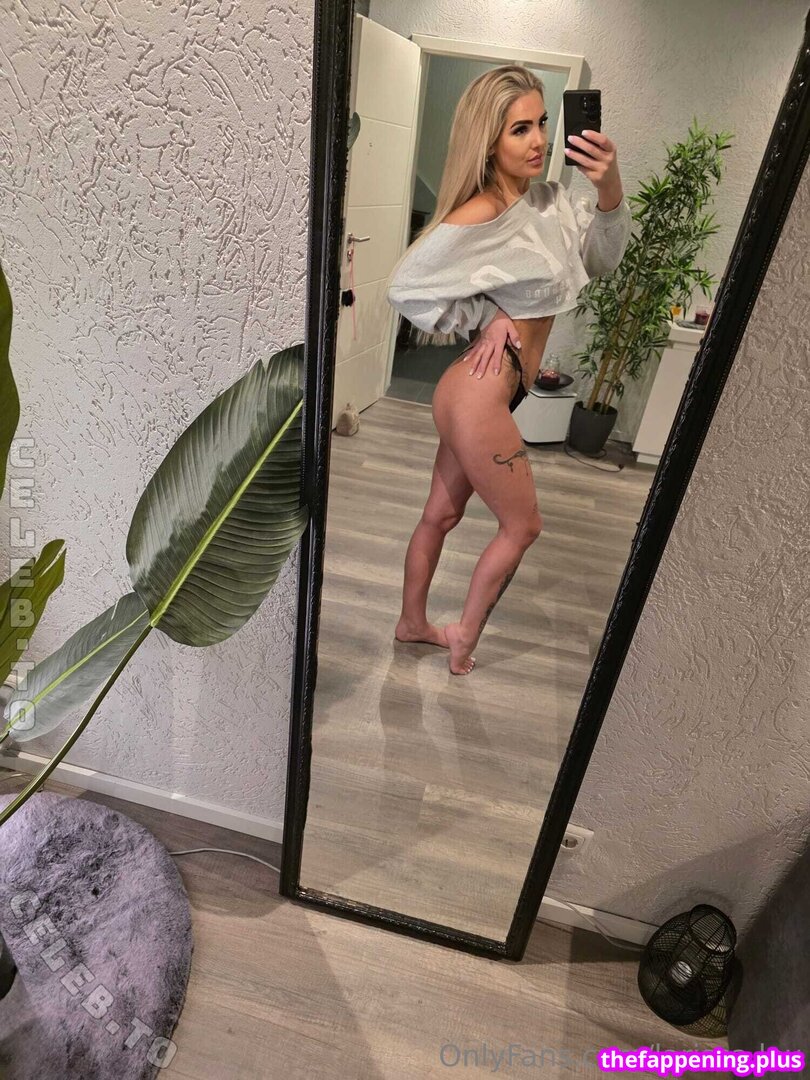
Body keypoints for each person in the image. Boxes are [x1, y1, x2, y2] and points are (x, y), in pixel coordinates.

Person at [386, 65, 631, 675]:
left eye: (542, 123)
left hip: (482, 390)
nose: (539, 140)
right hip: (477, 394)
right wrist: (483, 315)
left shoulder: (550, 203)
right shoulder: (481, 213)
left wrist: (609, 188)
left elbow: (601, 259)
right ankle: (464, 639)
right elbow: (405, 286)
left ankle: (413, 622)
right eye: (520, 129)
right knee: (523, 526)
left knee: (441, 515)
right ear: (488, 139)